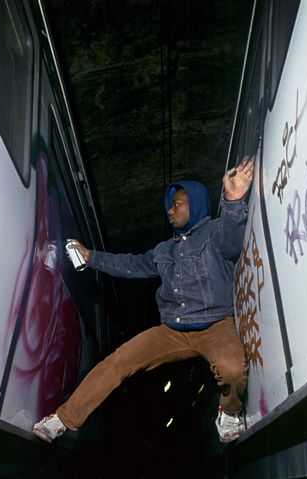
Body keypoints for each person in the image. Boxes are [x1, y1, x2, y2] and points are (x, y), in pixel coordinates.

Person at [33, 159, 255, 444]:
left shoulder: (214, 235)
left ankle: (230, 412)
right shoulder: (164, 250)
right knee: (116, 362)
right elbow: (132, 264)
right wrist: (92, 257)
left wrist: (233, 200)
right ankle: (63, 420)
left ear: (195, 205)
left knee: (233, 368)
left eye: (177, 204)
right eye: (170, 206)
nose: (170, 210)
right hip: (172, 330)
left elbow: (233, 239)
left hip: (215, 326)